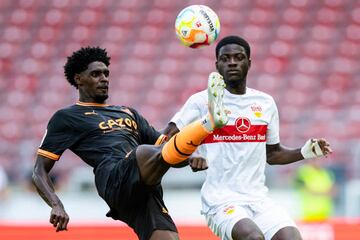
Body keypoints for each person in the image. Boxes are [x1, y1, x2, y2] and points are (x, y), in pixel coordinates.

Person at [32, 46, 229, 240]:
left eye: (106, 74)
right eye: (96, 74)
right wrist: (56, 204)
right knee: (144, 152)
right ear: (78, 79)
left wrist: (190, 157)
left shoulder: (127, 112)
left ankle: (206, 124)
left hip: (144, 186)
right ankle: (208, 123)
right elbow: (39, 170)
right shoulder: (66, 117)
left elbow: (167, 152)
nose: (104, 79)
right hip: (113, 178)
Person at [163, 35, 333, 240]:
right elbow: (165, 143)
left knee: (291, 237)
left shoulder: (265, 103)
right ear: (217, 64)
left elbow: (273, 154)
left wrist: (305, 152)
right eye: (225, 59)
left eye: (238, 57)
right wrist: (190, 156)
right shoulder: (200, 101)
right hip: (221, 201)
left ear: (249, 63)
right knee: (252, 238)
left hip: (258, 200)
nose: (232, 62)